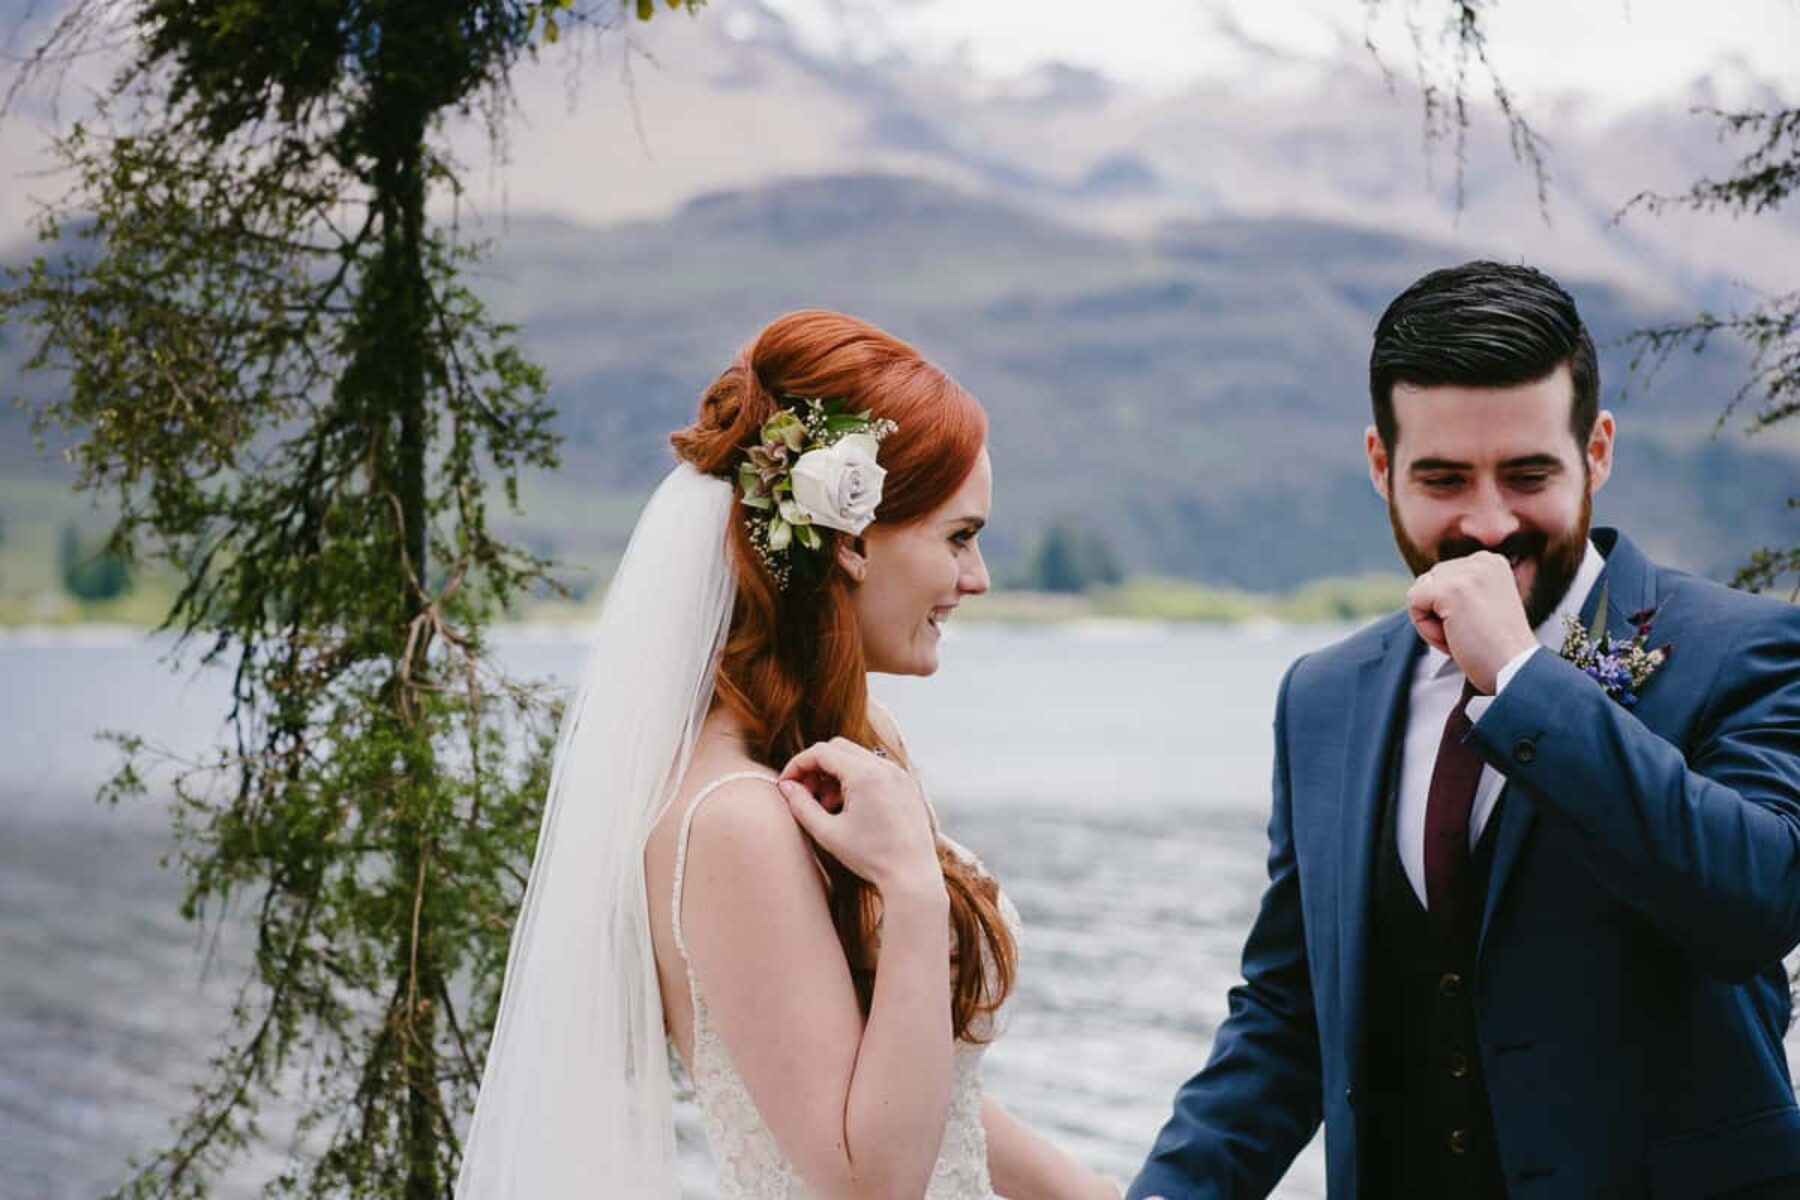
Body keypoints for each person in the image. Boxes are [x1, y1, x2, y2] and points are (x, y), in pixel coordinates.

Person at [1131, 261, 1800, 1199]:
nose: (1487, 524)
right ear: (1380, 466)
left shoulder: (1744, 649)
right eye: (1443, 478)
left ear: (1597, 451)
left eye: (1528, 475)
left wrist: (1523, 681)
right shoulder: (1323, 696)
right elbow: (1289, 1012)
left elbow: (1754, 906)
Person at [457, 310, 1116, 1199]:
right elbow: (868, 1183)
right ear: (848, 539)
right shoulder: (733, 823)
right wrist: (915, 890)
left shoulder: (847, 758)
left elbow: (937, 1100)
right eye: (959, 537)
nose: (979, 577)